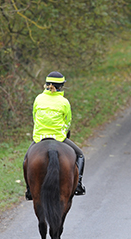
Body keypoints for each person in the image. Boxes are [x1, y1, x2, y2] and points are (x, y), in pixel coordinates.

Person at [24, 71, 85, 200]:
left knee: (26, 160)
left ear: (46, 84)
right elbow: (67, 122)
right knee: (80, 155)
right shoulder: (64, 102)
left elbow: (35, 117)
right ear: (61, 86)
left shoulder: (38, 98)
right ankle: (78, 184)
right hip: (58, 137)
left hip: (40, 137)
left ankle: (29, 189)